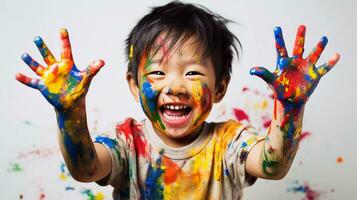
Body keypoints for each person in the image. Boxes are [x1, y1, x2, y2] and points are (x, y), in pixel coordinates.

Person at [15, 1, 340, 199]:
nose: (175, 86)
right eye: (157, 73)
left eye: (194, 73)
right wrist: (70, 112)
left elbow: (274, 166)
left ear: (221, 87)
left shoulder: (228, 142)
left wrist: (292, 108)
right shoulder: (127, 141)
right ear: (133, 84)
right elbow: (85, 170)